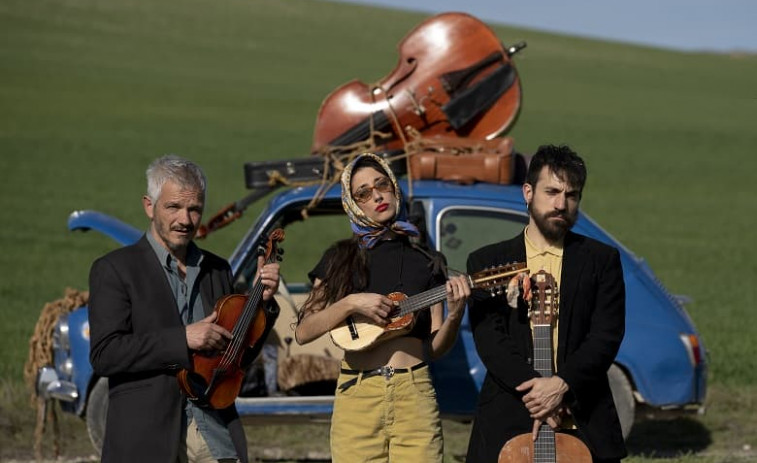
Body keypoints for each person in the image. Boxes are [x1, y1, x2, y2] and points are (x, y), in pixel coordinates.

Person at [88, 155, 280, 463]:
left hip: (213, 434)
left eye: (194, 209)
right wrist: (183, 339)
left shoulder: (218, 270)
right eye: (174, 207)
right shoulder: (114, 270)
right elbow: (105, 355)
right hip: (146, 439)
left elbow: (236, 357)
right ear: (149, 206)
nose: (186, 220)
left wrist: (261, 302)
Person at [294, 152, 471, 463]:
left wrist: (455, 316)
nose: (376, 196)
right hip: (358, 394)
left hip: (414, 392)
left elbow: (434, 347)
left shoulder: (427, 260)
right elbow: (304, 331)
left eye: (382, 185)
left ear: (394, 188)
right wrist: (351, 303)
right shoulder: (340, 258)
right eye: (363, 192)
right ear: (353, 203)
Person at [465, 144, 627, 463]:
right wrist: (539, 393)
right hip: (510, 410)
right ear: (528, 192)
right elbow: (489, 339)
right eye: (551, 191)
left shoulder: (601, 260)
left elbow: (606, 336)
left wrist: (562, 385)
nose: (560, 204)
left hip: (583, 411)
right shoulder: (487, 261)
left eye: (571, 195)